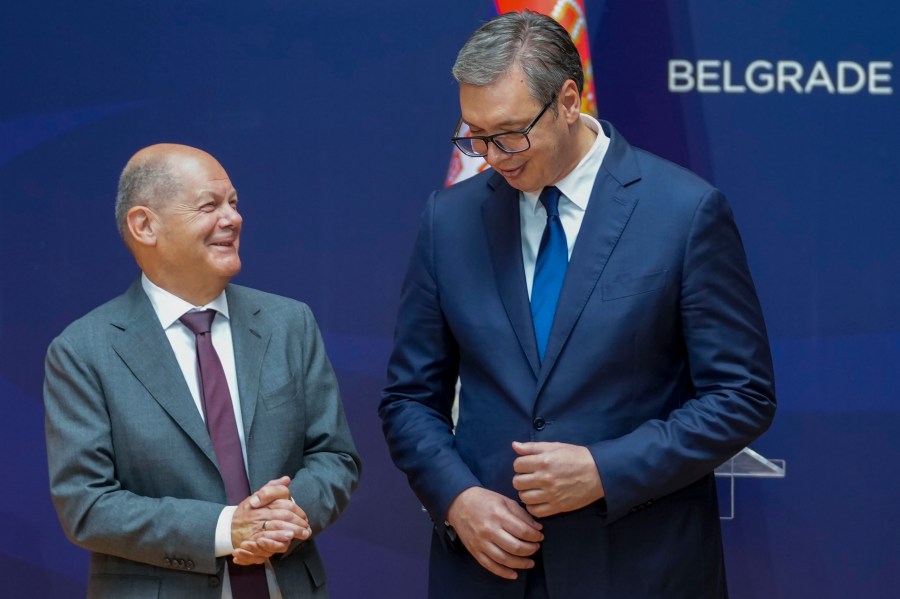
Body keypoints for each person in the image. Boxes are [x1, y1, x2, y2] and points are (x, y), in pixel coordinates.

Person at [379, 10, 776, 599]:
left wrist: (603, 470)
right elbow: (410, 397)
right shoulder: (449, 219)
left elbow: (742, 396)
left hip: (641, 569)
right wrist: (456, 498)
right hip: (488, 573)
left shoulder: (684, 213)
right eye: (475, 134)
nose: (492, 156)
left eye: (511, 132)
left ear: (569, 99)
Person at [44, 143, 360, 598]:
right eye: (209, 206)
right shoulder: (84, 350)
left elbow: (335, 457)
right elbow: (87, 505)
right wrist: (228, 529)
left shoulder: (290, 323)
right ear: (144, 225)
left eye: (233, 203)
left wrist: (281, 518)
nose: (232, 219)